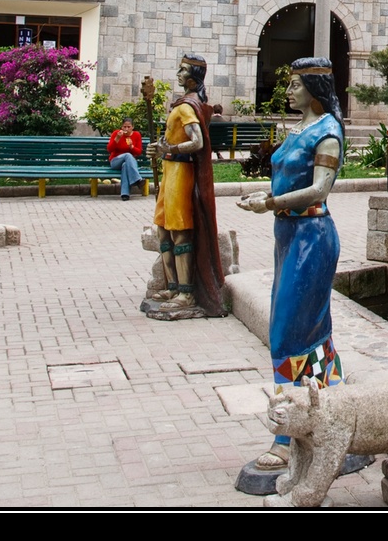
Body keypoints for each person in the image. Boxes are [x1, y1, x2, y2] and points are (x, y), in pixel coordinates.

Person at [238, 56, 345, 473]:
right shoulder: (300, 128)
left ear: (315, 90)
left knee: (286, 335)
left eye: (295, 85)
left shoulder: (327, 132)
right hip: (289, 237)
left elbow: (319, 190)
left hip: (311, 238)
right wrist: (264, 198)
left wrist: (270, 203)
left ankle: (286, 437)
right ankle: (338, 415)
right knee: (315, 336)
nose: (287, 91)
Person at [148, 54, 224, 316]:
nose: (178, 74)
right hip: (170, 171)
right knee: (163, 230)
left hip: (181, 172)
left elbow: (197, 142)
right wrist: (158, 148)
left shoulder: (188, 107)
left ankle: (186, 292)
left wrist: (169, 149)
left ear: (193, 77)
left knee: (179, 231)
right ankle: (172, 286)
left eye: (182, 70)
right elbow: (171, 139)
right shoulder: (181, 105)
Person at [108, 117, 143, 200]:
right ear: (121, 127)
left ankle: (125, 194)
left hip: (130, 164)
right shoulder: (116, 133)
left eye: (128, 127)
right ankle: (137, 179)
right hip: (115, 161)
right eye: (124, 127)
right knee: (127, 155)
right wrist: (117, 138)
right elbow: (109, 149)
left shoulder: (136, 135)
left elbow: (139, 152)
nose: (126, 129)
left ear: (132, 127)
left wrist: (132, 147)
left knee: (125, 165)